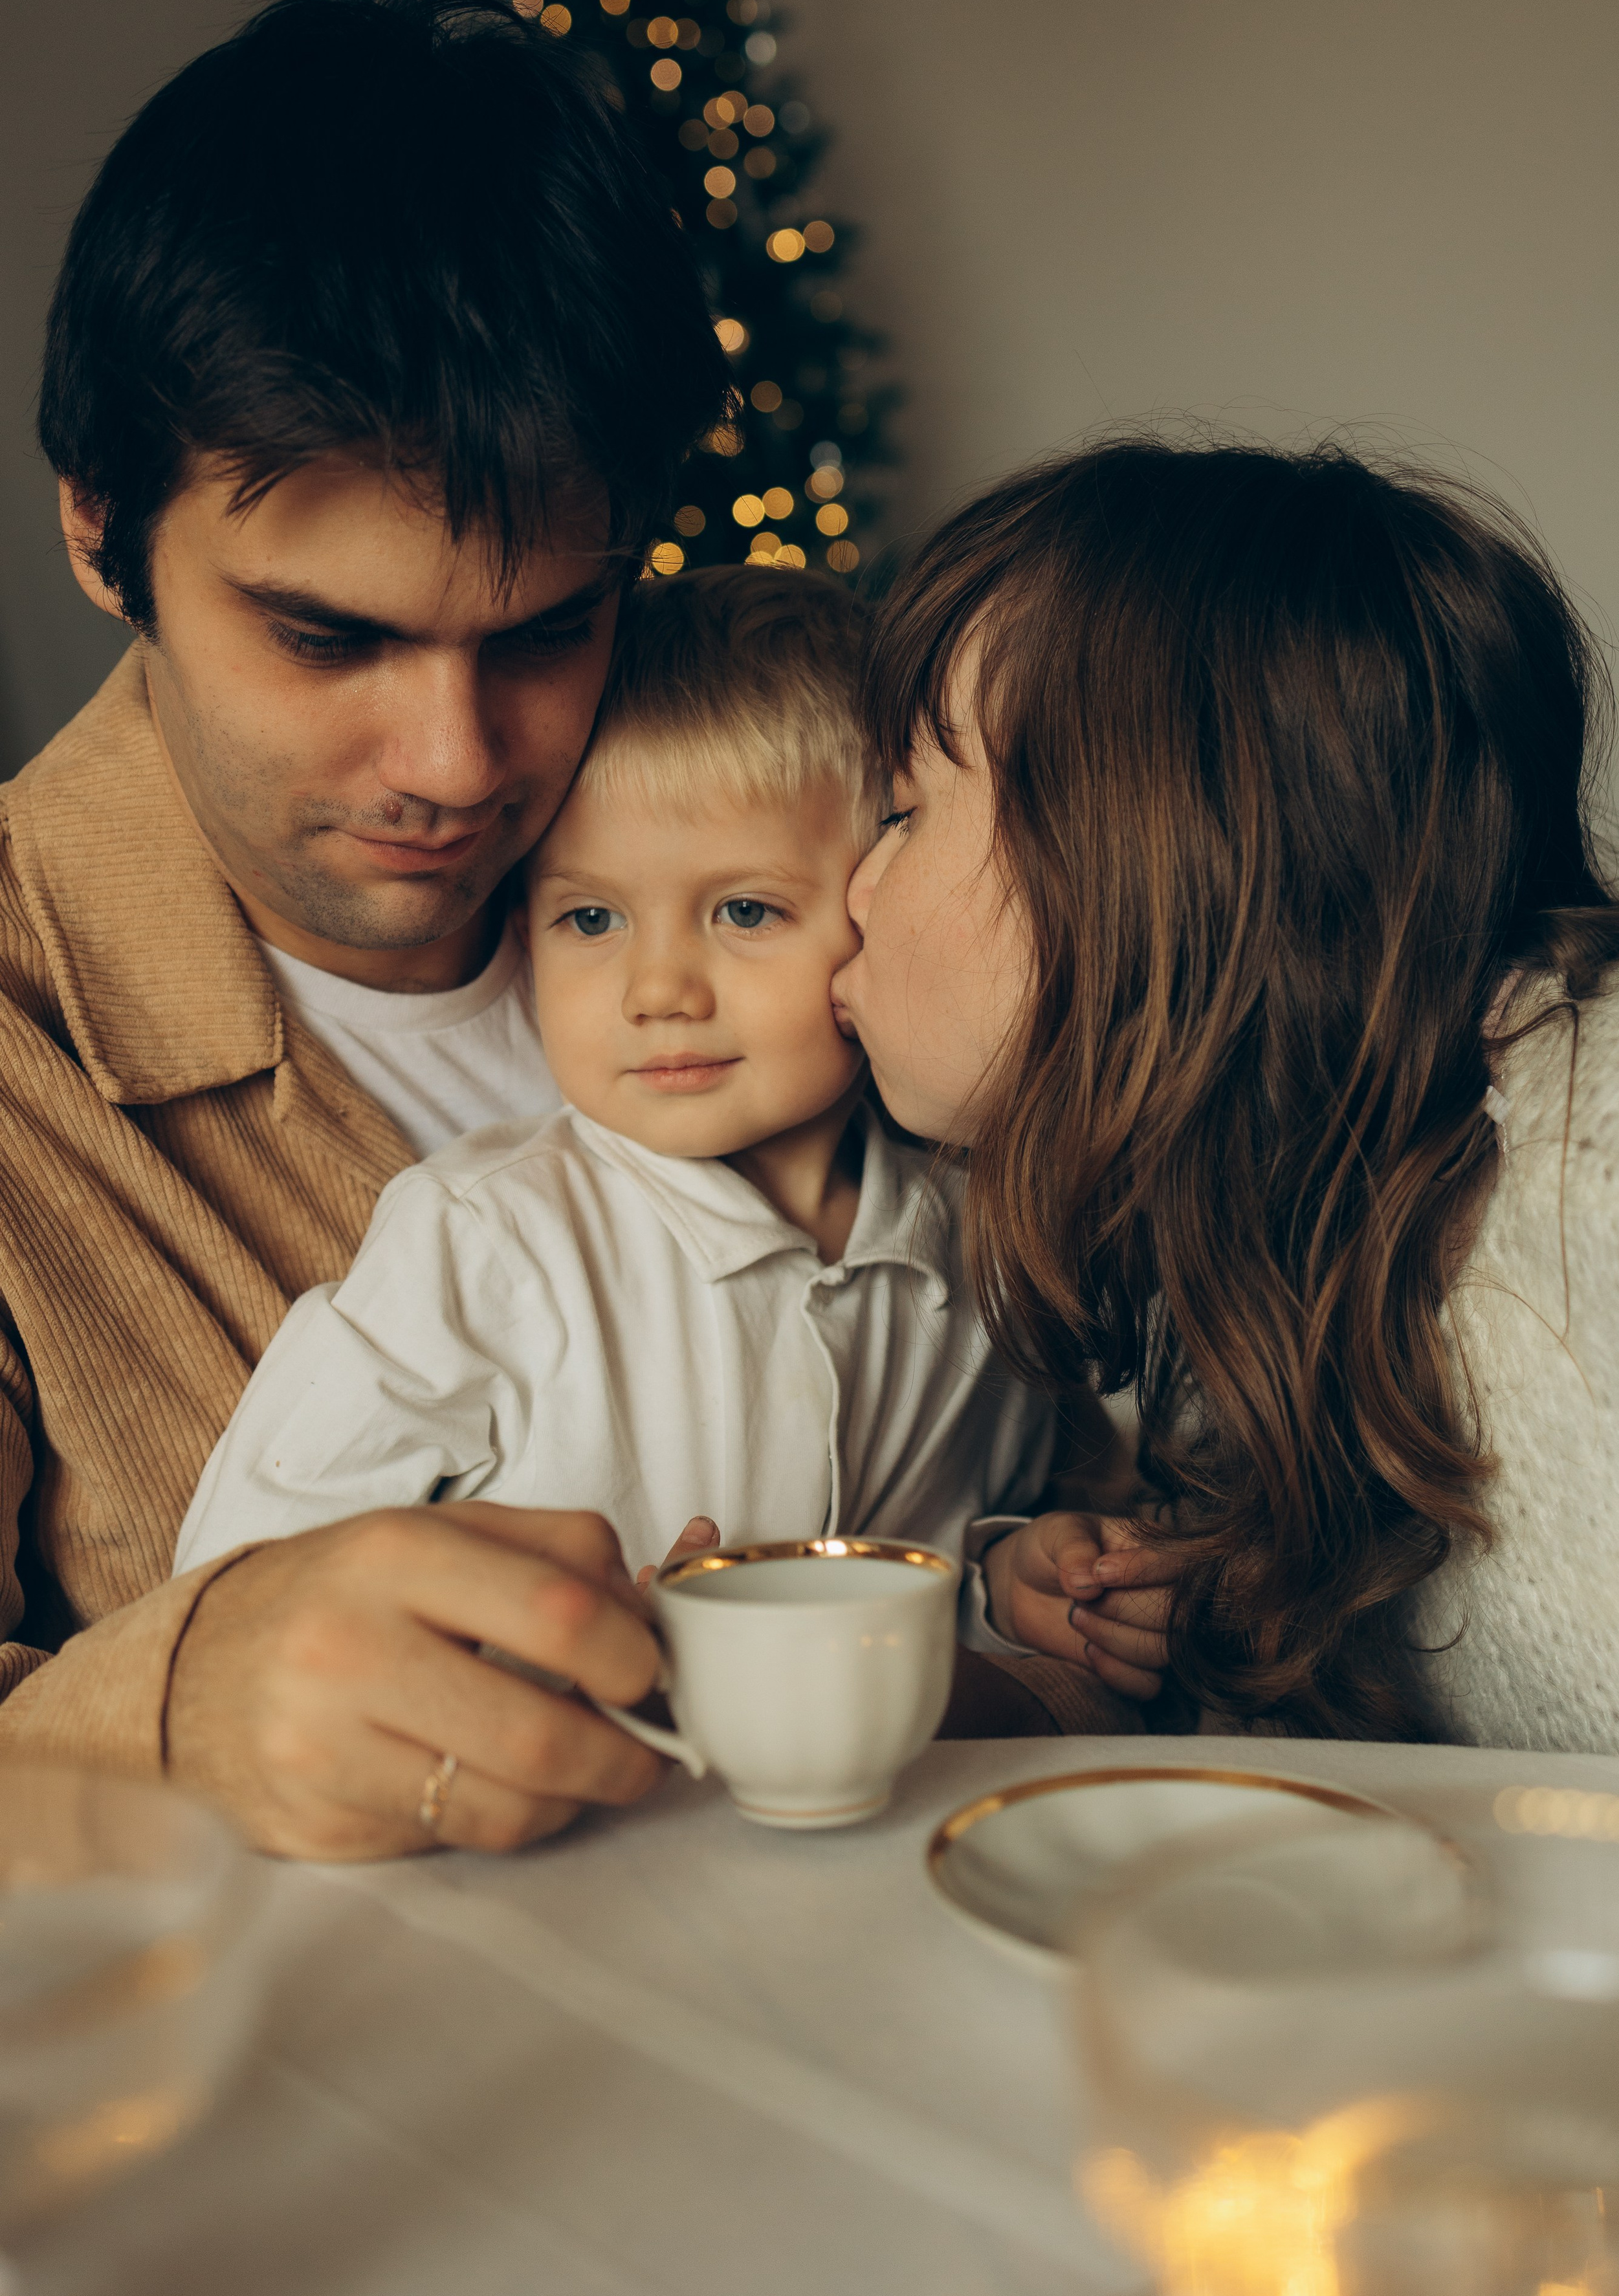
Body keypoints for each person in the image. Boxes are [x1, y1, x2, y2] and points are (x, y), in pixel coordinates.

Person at [0, 0, 735, 1855]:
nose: (456, 760)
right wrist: (179, 1711)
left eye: (549, 632)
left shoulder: (826, 894)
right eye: (328, 638)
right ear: (99, 531)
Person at [172, 567, 1163, 1699]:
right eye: (591, 917)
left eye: (744, 910)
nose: (658, 991)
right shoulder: (482, 1238)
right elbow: (238, 1602)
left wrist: (1007, 1580)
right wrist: (547, 1646)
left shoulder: (977, 1236)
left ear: (877, 904)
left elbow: (931, 1579)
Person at [833, 435, 1619, 1753]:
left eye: (899, 811)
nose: (849, 893)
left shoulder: (1616, 1138)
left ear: (1136, 847)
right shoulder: (1236, 1261)